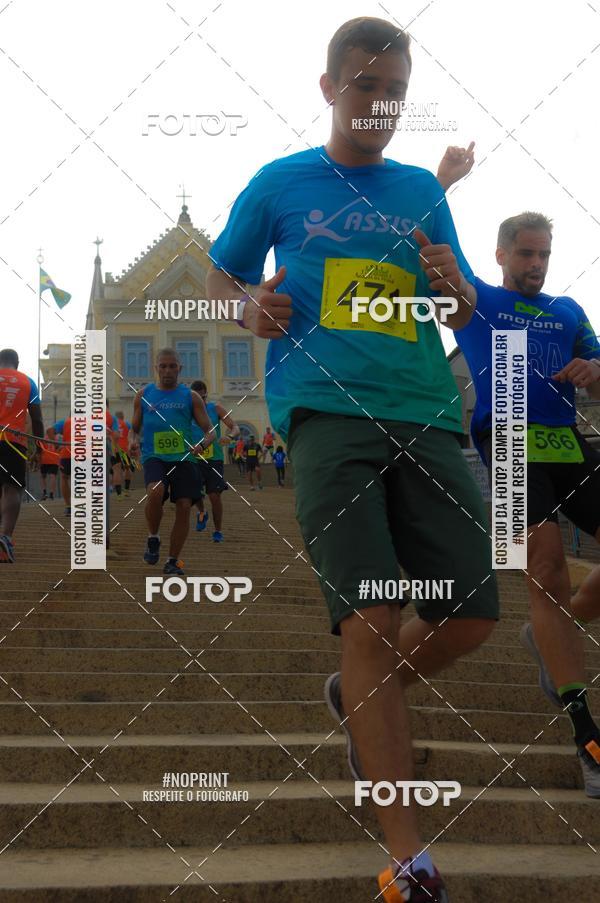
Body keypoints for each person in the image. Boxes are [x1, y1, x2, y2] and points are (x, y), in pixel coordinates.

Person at [206, 17, 499, 900]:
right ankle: (410, 860)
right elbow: (218, 285)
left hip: (426, 411)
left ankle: (358, 693)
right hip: (326, 413)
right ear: (330, 87)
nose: (379, 106)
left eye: (395, 93)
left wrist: (457, 289)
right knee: (371, 616)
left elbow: (458, 304)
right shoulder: (281, 182)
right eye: (365, 87)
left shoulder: (419, 189)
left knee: (473, 613)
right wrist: (245, 313)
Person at [452, 204, 600, 797]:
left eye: (543, 254)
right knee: (546, 571)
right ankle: (586, 736)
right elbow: (437, 253)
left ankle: (548, 635)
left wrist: (593, 367)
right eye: (525, 253)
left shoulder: (568, 311)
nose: (536, 264)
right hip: (504, 436)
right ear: (501, 255)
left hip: (566, 440)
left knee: (555, 599)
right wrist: (441, 184)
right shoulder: (480, 302)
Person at [129, 348, 213, 575]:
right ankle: (153, 537)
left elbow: (210, 430)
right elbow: (134, 430)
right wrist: (133, 441)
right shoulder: (143, 395)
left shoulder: (191, 397)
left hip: (184, 459)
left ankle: (173, 560)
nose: (167, 370)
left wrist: (202, 445)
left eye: (172, 366)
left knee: (185, 506)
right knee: (155, 492)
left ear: (180, 369)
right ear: (156, 368)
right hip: (154, 457)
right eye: (163, 366)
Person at [0, 349, 43, 562]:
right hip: (14, 442)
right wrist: (40, 449)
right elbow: (37, 420)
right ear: (17, 363)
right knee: (12, 489)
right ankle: (5, 538)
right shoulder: (28, 383)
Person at [190, 379, 240, 543]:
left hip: (214, 459)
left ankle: (218, 531)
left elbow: (235, 427)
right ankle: (202, 513)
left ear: (206, 395)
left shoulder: (216, 409)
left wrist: (229, 436)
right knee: (195, 494)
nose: (201, 401)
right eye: (197, 398)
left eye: (203, 397)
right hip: (194, 458)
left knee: (215, 496)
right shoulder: (188, 411)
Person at [50, 409, 117, 518]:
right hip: (86, 455)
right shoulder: (92, 422)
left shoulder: (65, 422)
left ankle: (68, 507)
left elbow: (49, 430)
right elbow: (108, 432)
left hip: (67, 454)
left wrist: (57, 444)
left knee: (65, 477)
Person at [113, 410, 133, 498]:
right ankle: (127, 490)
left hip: (115, 450)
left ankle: (118, 494)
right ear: (123, 417)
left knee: (117, 470)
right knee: (127, 469)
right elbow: (131, 435)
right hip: (125, 450)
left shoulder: (112, 425)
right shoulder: (127, 424)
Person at [37, 429, 60, 500]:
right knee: (51, 476)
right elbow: (58, 448)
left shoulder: (44, 438)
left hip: (48, 460)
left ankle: (47, 493)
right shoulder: (55, 438)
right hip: (50, 460)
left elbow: (40, 450)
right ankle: (50, 494)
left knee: (46, 476)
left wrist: (39, 461)